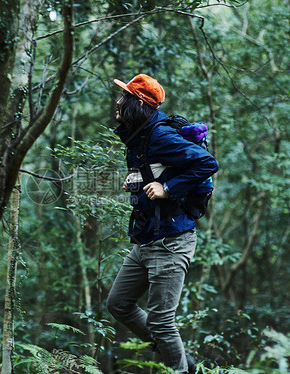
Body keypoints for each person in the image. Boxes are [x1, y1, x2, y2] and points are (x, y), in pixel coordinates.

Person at [106, 74, 218, 373]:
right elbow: (154, 172)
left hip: (170, 243)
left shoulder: (160, 137)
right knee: (119, 304)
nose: (118, 101)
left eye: (125, 97)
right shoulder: (138, 137)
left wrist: (167, 189)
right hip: (146, 239)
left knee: (161, 321)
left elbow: (207, 163)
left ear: (138, 104)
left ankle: (179, 368)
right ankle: (180, 359)